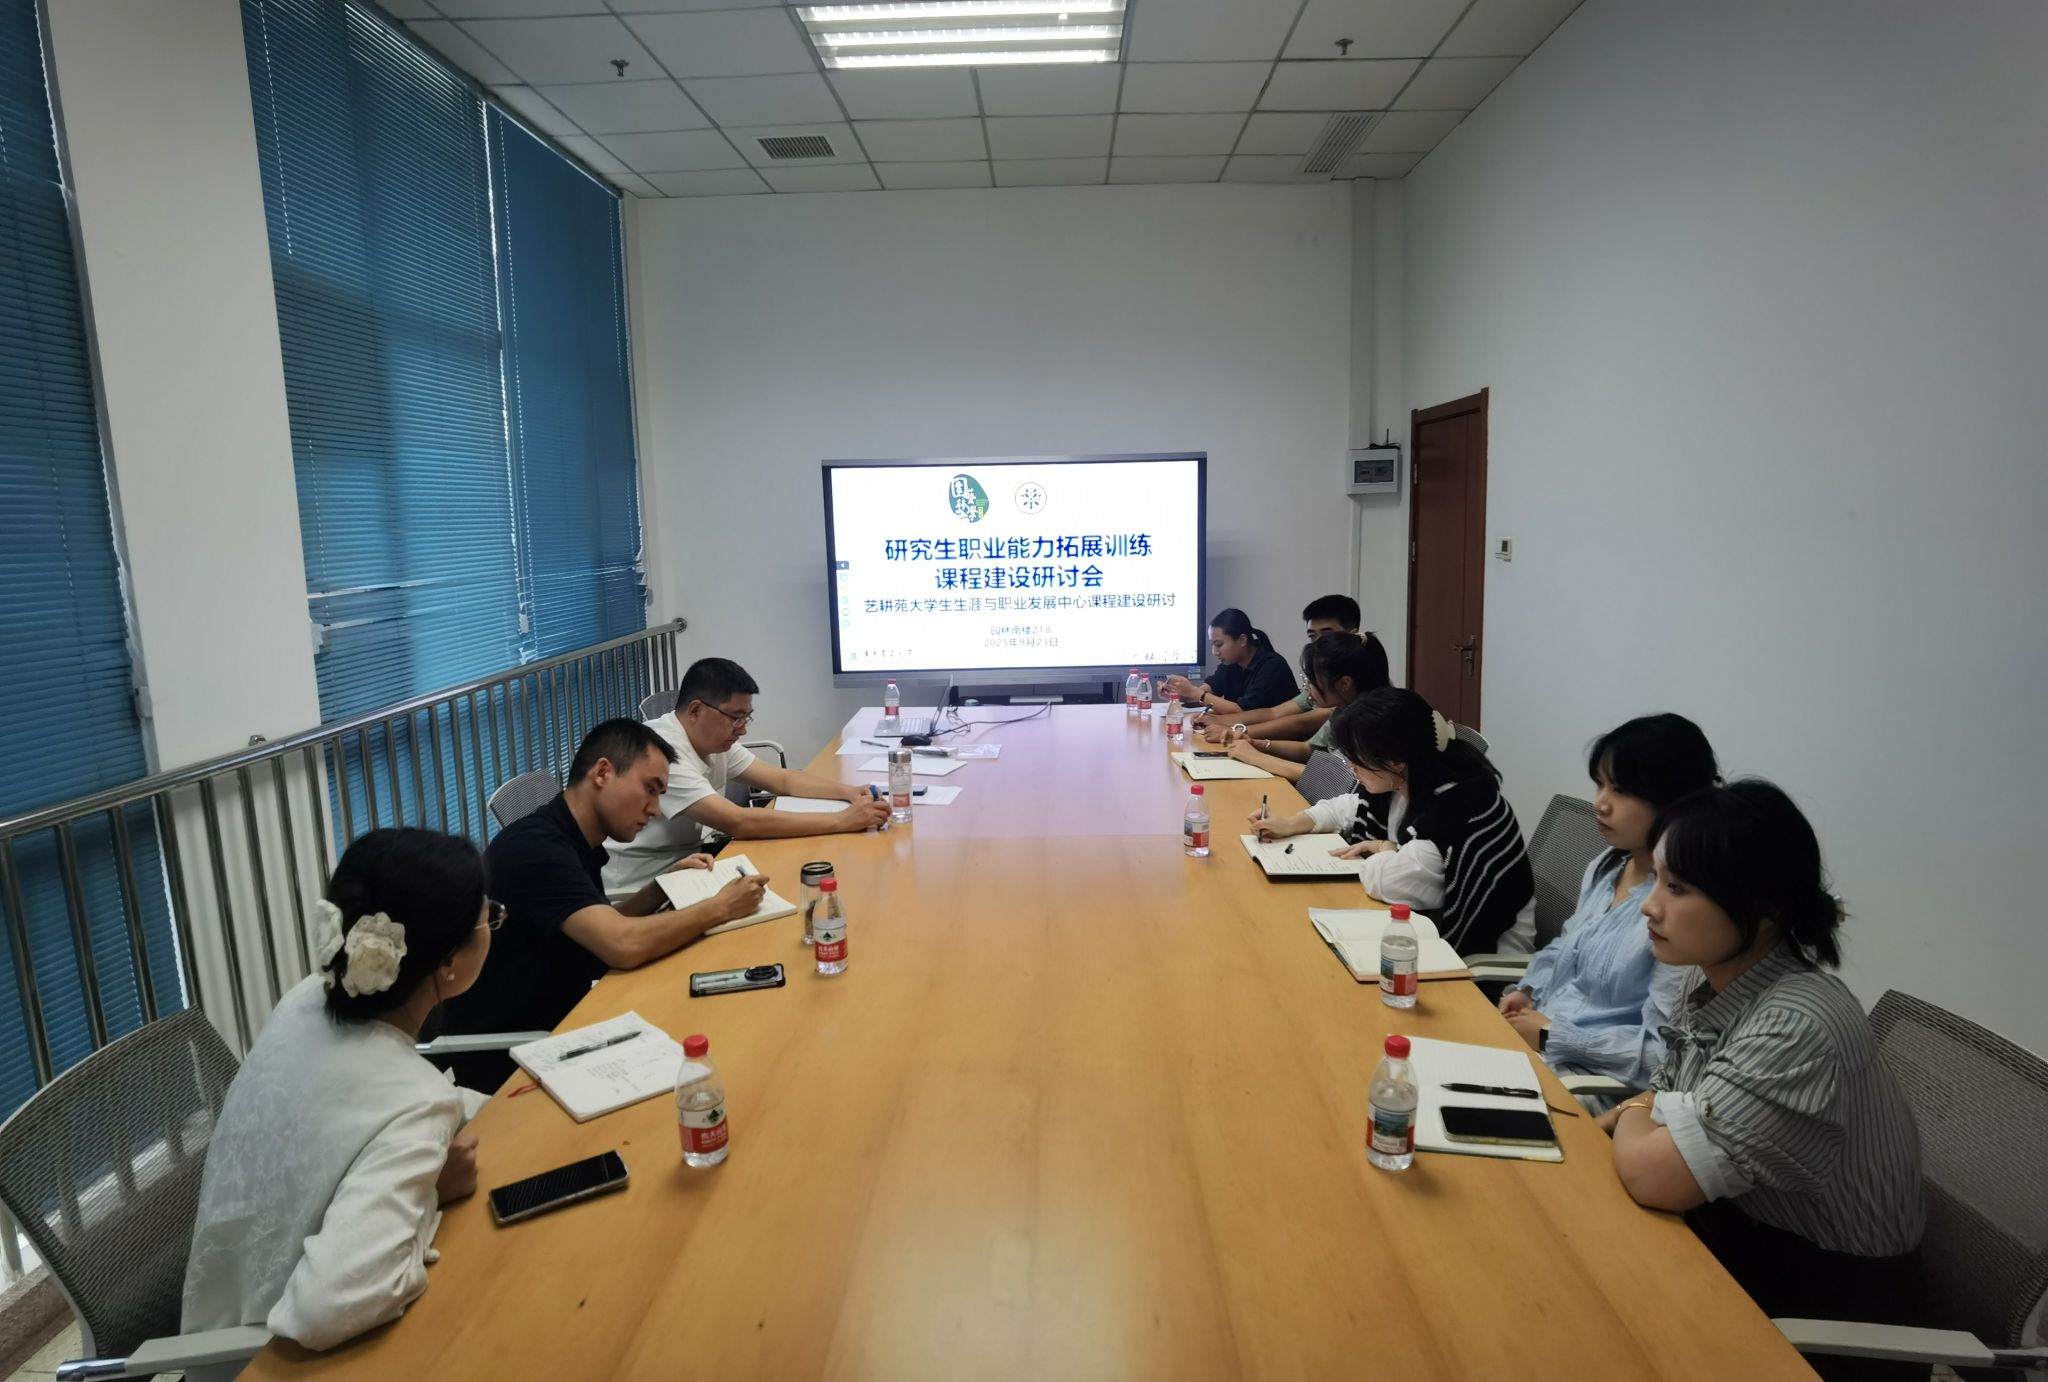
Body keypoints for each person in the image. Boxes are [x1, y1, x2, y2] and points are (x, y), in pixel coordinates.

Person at [1599, 780, 1923, 1381]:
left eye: (1678, 888)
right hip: (1737, 1235)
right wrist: (1640, 1114)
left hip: (1825, 1311)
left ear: (1764, 904)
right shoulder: (1718, 978)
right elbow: (1661, 1099)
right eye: (1656, 880)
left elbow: (1654, 1174)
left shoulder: (1796, 1025)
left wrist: (1636, 1114)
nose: (1649, 905)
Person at [184, 829, 497, 1350]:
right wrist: (429, 1192)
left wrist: (480, 1107)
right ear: (448, 963)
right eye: (491, 919)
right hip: (269, 1358)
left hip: (220, 1315)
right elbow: (322, 1311)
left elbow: (354, 1103)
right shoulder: (418, 1104)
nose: (494, 927)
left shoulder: (305, 1000)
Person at [435, 719, 769, 1090]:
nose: (655, 809)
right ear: (603, 772)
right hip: (519, 1055)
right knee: (709, 1066)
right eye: (650, 789)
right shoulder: (536, 850)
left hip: (569, 1021)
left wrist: (661, 887)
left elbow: (597, 926)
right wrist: (721, 907)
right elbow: (621, 944)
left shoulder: (573, 834)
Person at [1498, 714, 1719, 1099]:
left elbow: (1664, 1055)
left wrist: (1552, 1035)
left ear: (1673, 798)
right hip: (1536, 1046)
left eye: (1621, 791)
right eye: (1600, 785)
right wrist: (1529, 990)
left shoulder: (1681, 913)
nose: (1600, 804)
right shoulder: (1607, 866)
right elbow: (1567, 944)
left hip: (1590, 1084)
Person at [1251, 688, 1534, 953]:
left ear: (1395, 760)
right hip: (1419, 923)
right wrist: (1293, 823)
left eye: (1356, 760)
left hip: (1484, 953)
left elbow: (1387, 882)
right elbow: (1347, 806)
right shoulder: (1408, 779)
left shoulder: (1456, 806)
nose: (1352, 769)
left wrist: (1387, 849)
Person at [602, 657, 890, 896]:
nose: (743, 728)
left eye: (746, 717)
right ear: (696, 710)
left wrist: (850, 792)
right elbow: (737, 821)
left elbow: (783, 780)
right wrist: (842, 821)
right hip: (639, 889)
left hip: (688, 865)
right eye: (735, 717)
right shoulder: (661, 751)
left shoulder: (714, 741)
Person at [1214, 631, 1390, 783]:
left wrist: (1257, 758)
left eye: (1312, 681)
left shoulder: (1370, 724)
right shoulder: (1342, 710)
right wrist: (1258, 744)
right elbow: (1309, 749)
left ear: (1344, 684)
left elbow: (1336, 782)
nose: (1307, 687)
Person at [1194, 594, 1361, 745]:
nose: (1317, 644)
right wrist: (1219, 721)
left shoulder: (1357, 686)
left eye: (1327, 635)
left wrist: (1234, 731)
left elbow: (1300, 723)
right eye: (1312, 636)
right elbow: (1273, 713)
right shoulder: (1323, 678)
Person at [1157, 608, 1297, 714]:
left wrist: (1193, 691)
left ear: (1242, 640)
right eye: (1212, 645)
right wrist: (1178, 694)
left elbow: (1241, 711)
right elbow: (1207, 692)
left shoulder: (1272, 666)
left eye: (1219, 645)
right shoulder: (1231, 663)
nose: (1214, 652)